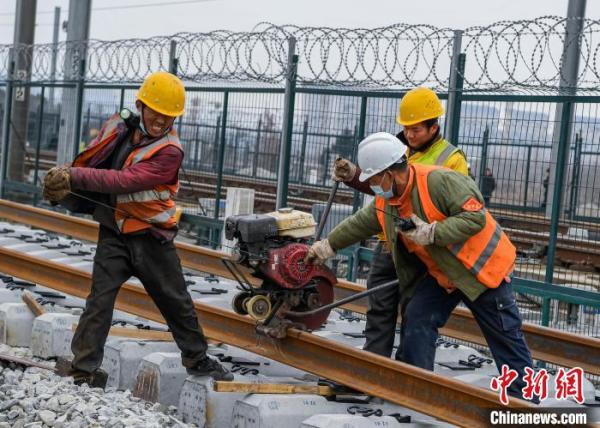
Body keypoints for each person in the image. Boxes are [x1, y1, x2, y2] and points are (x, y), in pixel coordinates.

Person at [307, 132, 533, 400]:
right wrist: (327, 246)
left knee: (505, 340)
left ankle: (524, 404)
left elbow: (475, 219)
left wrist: (433, 232)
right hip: (444, 274)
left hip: (484, 272)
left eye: (376, 179)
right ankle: (418, 392)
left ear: (391, 172)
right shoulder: (388, 200)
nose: (374, 186)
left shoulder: (438, 181)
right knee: (418, 317)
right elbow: (361, 223)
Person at [42, 71, 233, 387]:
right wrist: (68, 190)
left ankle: (198, 360)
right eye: (156, 111)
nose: (161, 119)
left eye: (168, 115)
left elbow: (123, 181)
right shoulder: (122, 129)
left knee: (176, 302)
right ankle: (84, 369)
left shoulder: (170, 152)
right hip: (115, 232)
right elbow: (98, 161)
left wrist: (72, 176)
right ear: (141, 106)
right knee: (98, 302)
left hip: (150, 238)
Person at [332, 87, 468, 359]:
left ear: (433, 127)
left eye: (416, 129)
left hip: (421, 249)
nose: (409, 134)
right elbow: (384, 187)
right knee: (379, 308)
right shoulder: (398, 149)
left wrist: (427, 231)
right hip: (389, 242)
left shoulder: (452, 159)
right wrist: (355, 175)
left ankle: (406, 369)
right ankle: (375, 366)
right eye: (406, 128)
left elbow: (458, 209)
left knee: (413, 313)